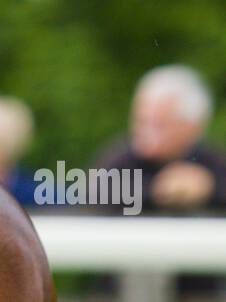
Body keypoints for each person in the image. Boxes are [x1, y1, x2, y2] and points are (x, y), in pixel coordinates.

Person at [94, 65, 226, 212]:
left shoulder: (214, 162)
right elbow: (94, 195)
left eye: (159, 125)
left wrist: (209, 188)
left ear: (193, 127)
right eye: (141, 121)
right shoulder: (120, 160)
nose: (145, 132)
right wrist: (158, 191)